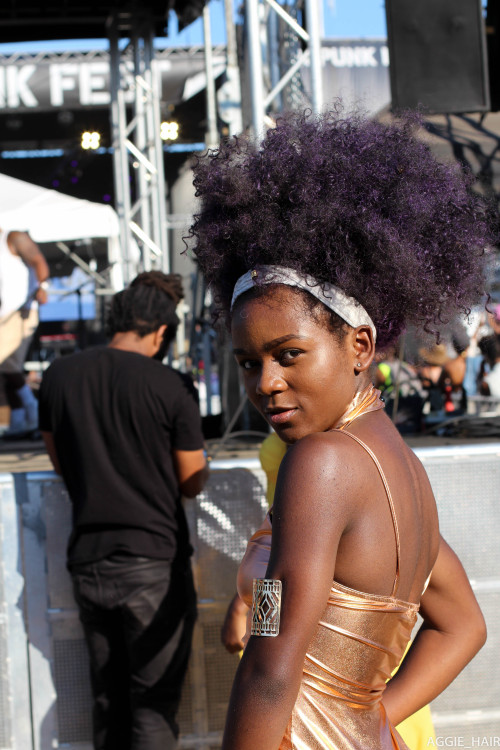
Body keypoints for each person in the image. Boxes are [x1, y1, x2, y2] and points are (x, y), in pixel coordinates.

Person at [189, 110, 490, 749]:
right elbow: (464, 625)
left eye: (288, 354)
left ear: (359, 345)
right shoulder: (395, 462)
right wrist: (373, 716)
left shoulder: (322, 462)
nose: (265, 381)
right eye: (248, 362)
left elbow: (272, 668)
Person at [38, 271, 209, 750]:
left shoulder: (58, 377)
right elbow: (192, 482)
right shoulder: (171, 384)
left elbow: (61, 464)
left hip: (88, 563)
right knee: (152, 710)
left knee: (109, 704)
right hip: (153, 563)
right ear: (159, 332)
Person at [0, 228, 49, 437]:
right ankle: (21, 421)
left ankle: (32, 413)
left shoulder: (12, 236)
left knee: (7, 367)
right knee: (9, 370)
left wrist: (42, 286)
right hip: (6, 315)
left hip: (20, 312)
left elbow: (38, 260)